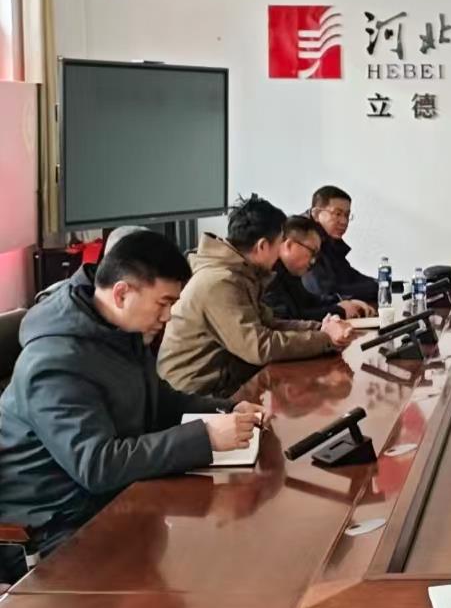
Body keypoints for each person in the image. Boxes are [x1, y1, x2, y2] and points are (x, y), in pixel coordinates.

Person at [0, 231, 266, 581]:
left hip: (115, 499)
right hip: (57, 527)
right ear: (122, 293)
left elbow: (160, 400)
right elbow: (98, 465)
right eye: (163, 303)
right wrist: (205, 437)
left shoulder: (116, 331)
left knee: (224, 550)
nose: (168, 316)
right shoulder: (54, 362)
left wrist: (226, 410)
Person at [157, 195, 354, 397]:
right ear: (262, 246)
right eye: (280, 243)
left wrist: (320, 328)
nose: (280, 252)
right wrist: (325, 339)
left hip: (229, 380)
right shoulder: (219, 282)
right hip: (200, 394)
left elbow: (268, 323)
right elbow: (259, 347)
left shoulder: (241, 273)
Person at [266, 216, 374, 322]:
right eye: (312, 252)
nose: (313, 261)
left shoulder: (290, 274)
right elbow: (289, 319)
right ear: (289, 245)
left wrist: (346, 303)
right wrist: (340, 310)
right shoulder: (267, 275)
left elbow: (312, 302)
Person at [302, 185, 379, 306]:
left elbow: (349, 276)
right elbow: (324, 292)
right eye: (337, 214)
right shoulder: (303, 242)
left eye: (347, 215)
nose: (344, 222)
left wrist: (382, 284)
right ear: (316, 214)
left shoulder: (329, 241)